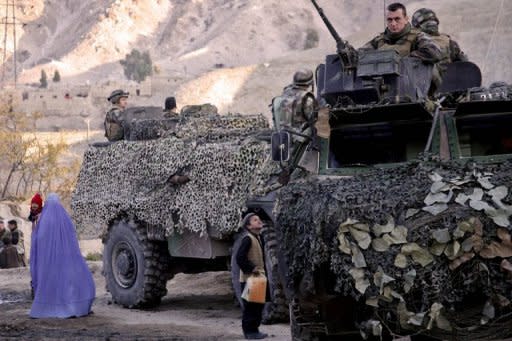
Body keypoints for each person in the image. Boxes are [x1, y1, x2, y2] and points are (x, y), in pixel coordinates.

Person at [29, 193, 95, 318]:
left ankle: (50, 306)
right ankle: (72, 306)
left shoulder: (44, 221)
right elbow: (72, 240)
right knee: (66, 282)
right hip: (65, 261)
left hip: (48, 263)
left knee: (51, 283)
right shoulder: (66, 219)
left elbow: (38, 240)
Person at [363, 2, 442, 64]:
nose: (393, 24)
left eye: (397, 19)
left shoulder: (417, 37)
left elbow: (435, 52)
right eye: (390, 20)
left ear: (406, 19)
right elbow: (361, 55)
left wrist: (404, 59)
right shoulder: (379, 40)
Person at [236, 213, 269, 340]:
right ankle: (249, 332)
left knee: (257, 306)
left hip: (258, 279)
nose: (259, 221)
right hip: (250, 279)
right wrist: (251, 268)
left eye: (259, 219)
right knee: (251, 307)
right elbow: (239, 257)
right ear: (249, 226)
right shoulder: (247, 239)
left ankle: (255, 330)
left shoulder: (258, 237)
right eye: (255, 220)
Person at [412, 8, 468, 76]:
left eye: (432, 20)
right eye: (424, 22)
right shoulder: (416, 41)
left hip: (450, 81)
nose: (430, 23)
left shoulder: (448, 41)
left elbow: (463, 64)